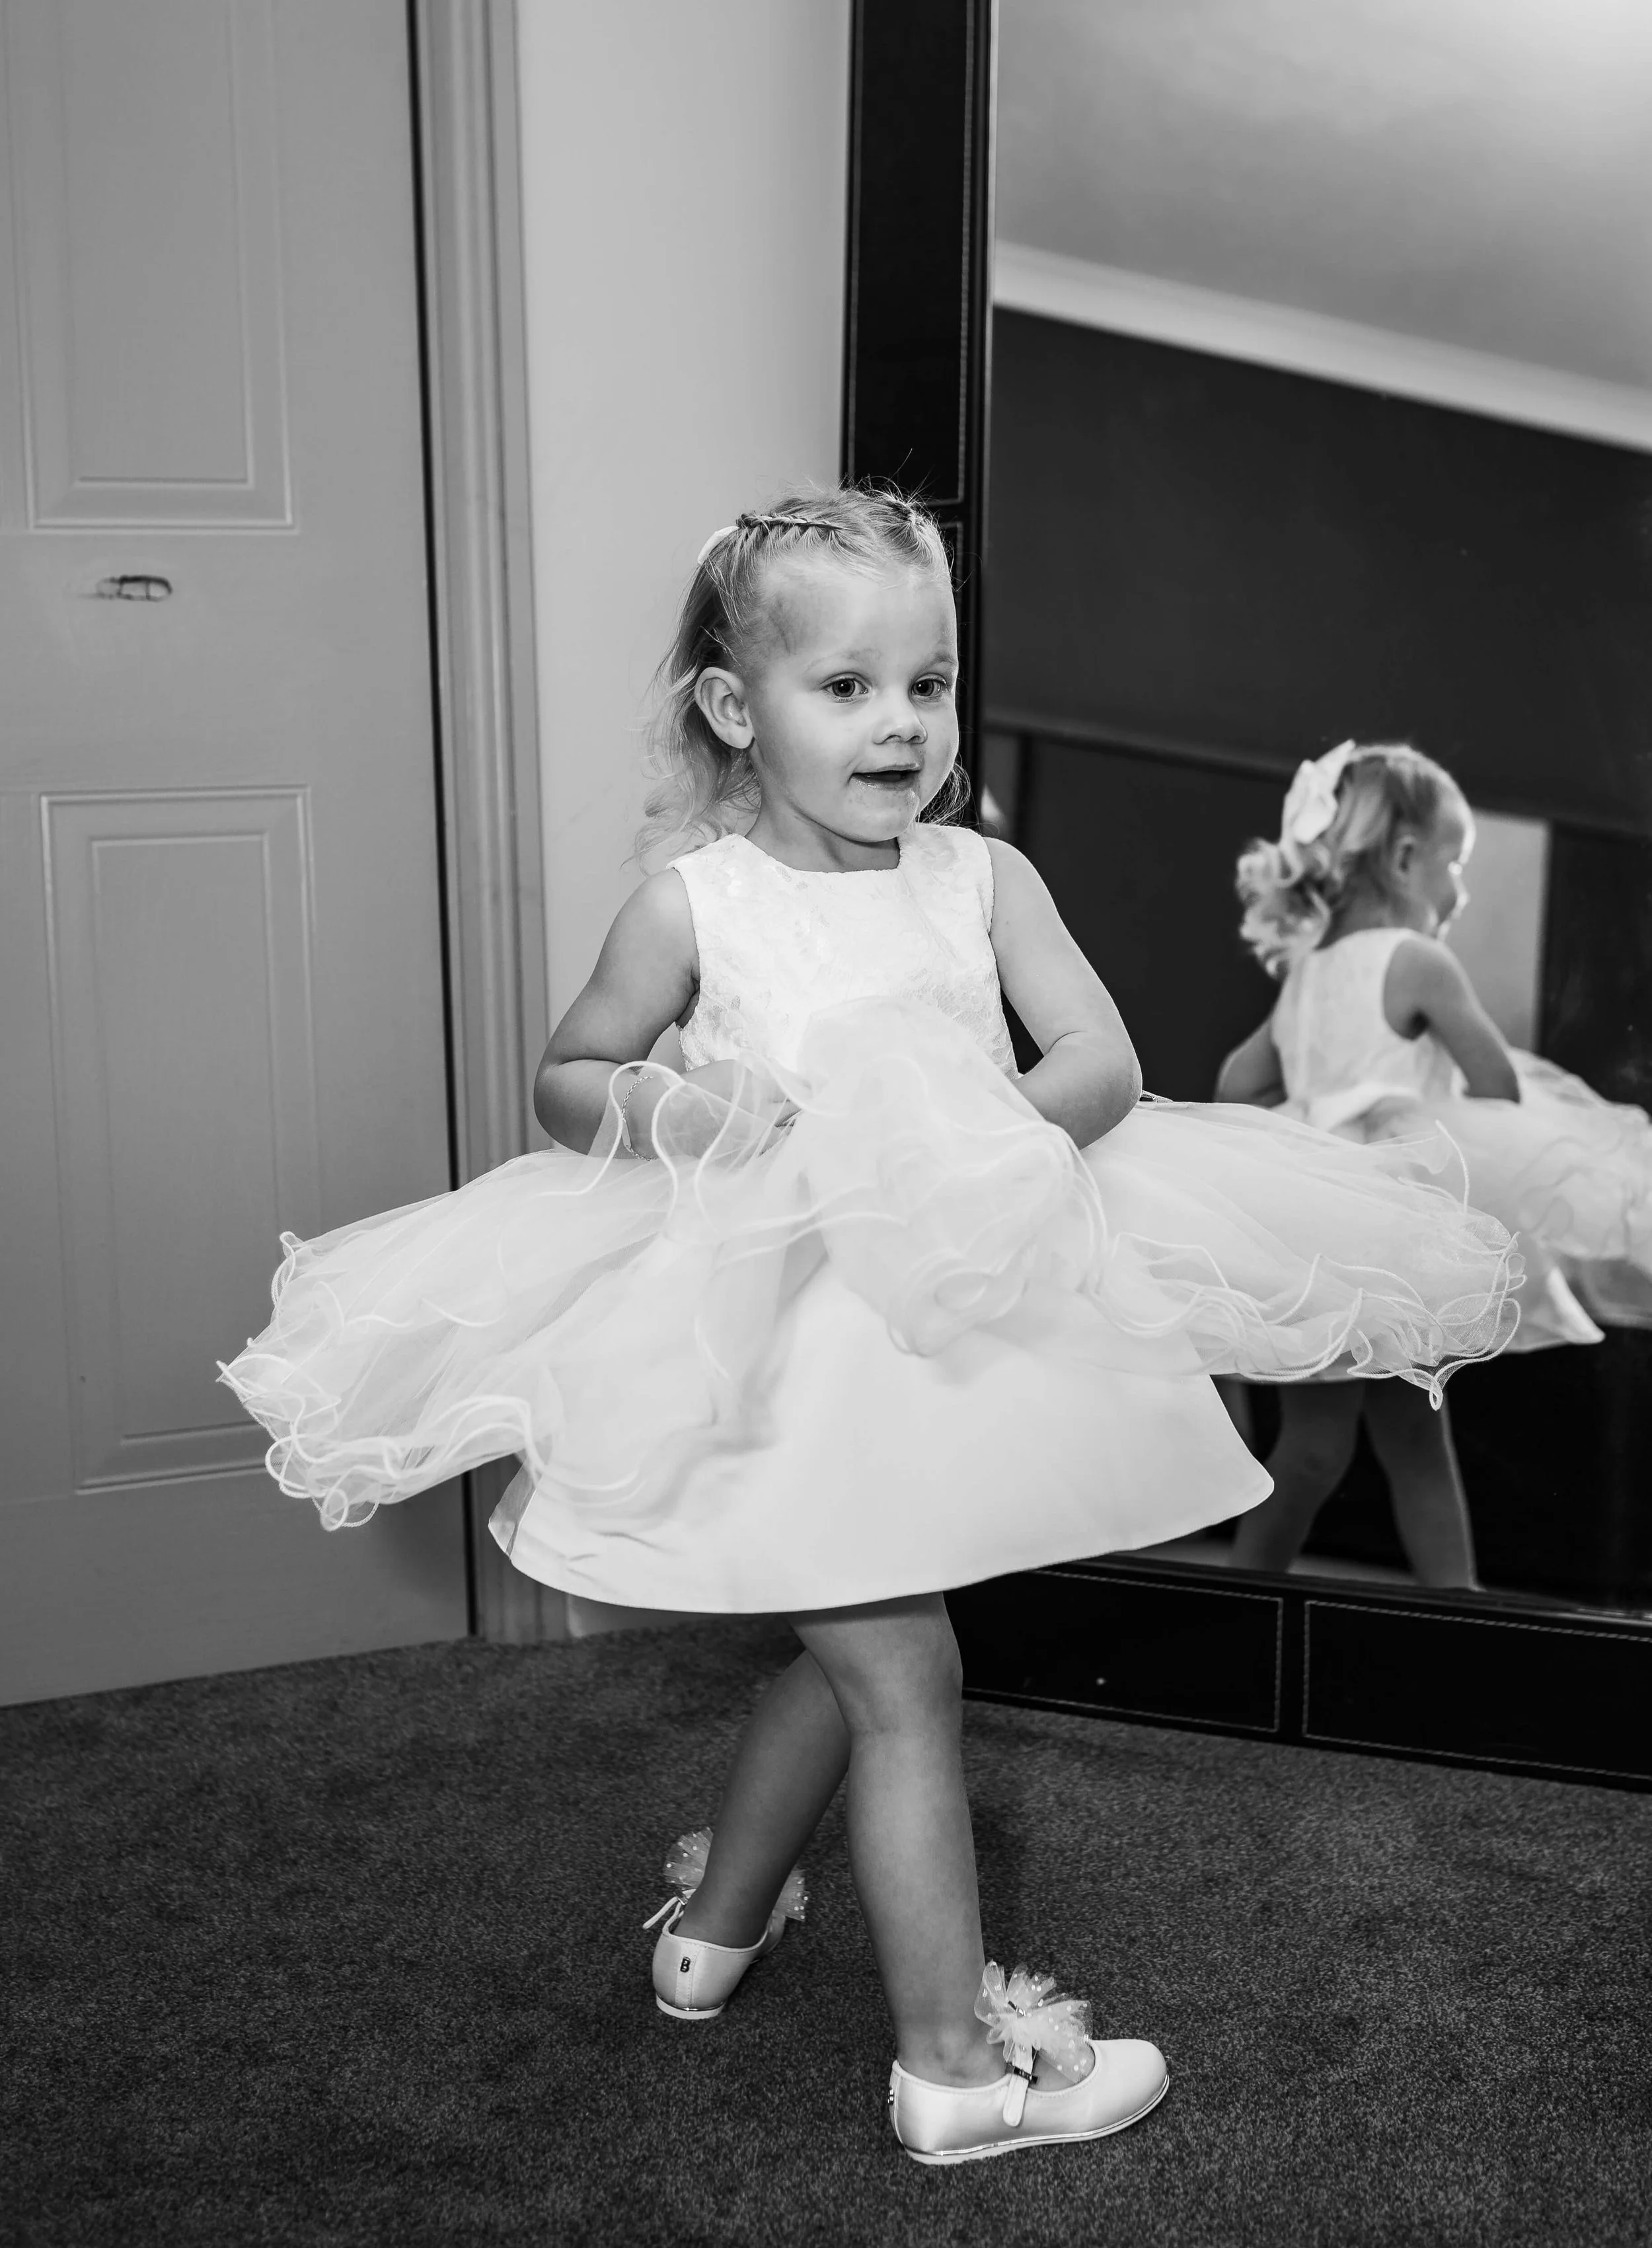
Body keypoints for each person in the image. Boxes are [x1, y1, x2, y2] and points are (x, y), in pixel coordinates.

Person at [222, 495, 1518, 2163]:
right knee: (903, 1671)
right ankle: (954, 2072)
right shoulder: (694, 905)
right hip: (772, 1343)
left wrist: (986, 1141)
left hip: (949, 1313)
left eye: (930, 682)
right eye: (846, 686)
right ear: (732, 706)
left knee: (854, 1654)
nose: (899, 722)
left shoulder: (982, 879)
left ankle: (714, 1932)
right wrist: (686, 1108)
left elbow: (1102, 1062)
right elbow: (571, 1074)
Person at [1218, 740, 1652, 1589]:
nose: (1459, 889)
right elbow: (1496, 1084)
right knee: (1414, 1444)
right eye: (1454, 865)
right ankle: (1455, 1609)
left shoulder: (1308, 972)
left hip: (1316, 1238)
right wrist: (1431, 1107)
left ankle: (1246, 1595)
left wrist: (1313, 1104)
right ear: (1406, 859)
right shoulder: (1418, 961)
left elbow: (1239, 1081)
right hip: (1394, 1237)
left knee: (1311, 1449)